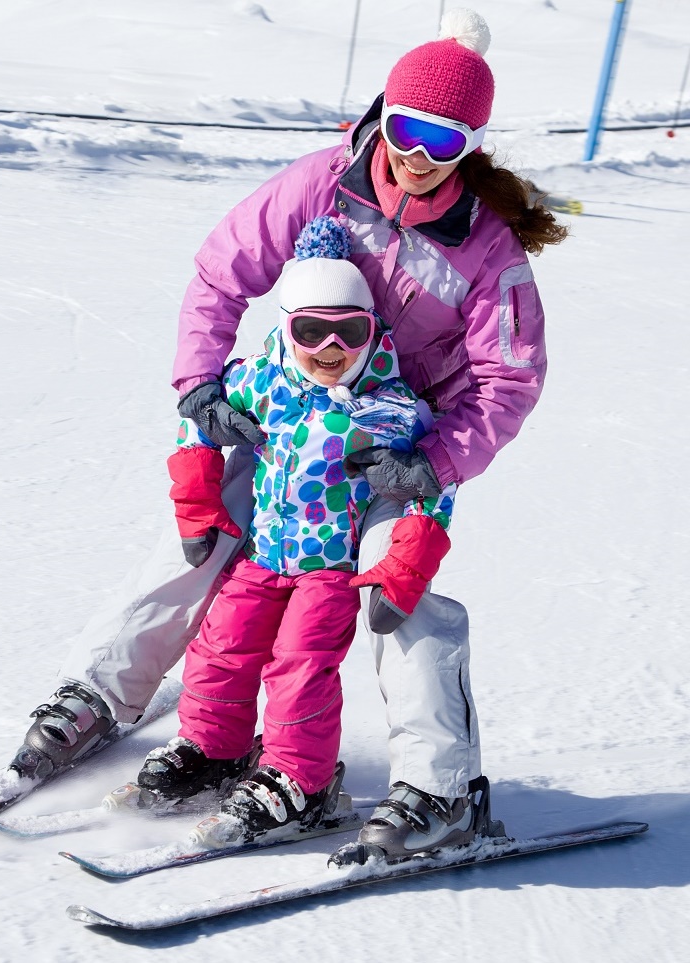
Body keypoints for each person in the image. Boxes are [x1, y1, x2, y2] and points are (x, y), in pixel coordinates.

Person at [11, 8, 565, 862]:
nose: (419, 156)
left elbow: (508, 378)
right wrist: (201, 382)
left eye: (445, 141)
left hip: (397, 449)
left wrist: (434, 460)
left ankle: (439, 787)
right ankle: (102, 693)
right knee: (204, 539)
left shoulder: (488, 251)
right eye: (409, 129)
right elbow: (220, 271)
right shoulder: (321, 183)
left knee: (398, 595)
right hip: (294, 415)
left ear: (473, 147)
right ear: (383, 113)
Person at [134, 217, 458, 842]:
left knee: (301, 663)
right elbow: (197, 421)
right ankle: (214, 748)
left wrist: (406, 560)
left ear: (373, 332)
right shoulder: (259, 381)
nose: (330, 349)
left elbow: (429, 488)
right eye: (311, 331)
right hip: (261, 555)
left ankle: (300, 780)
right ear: (287, 326)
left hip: (330, 569)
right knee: (220, 645)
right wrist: (198, 496)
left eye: (349, 332)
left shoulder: (388, 406)